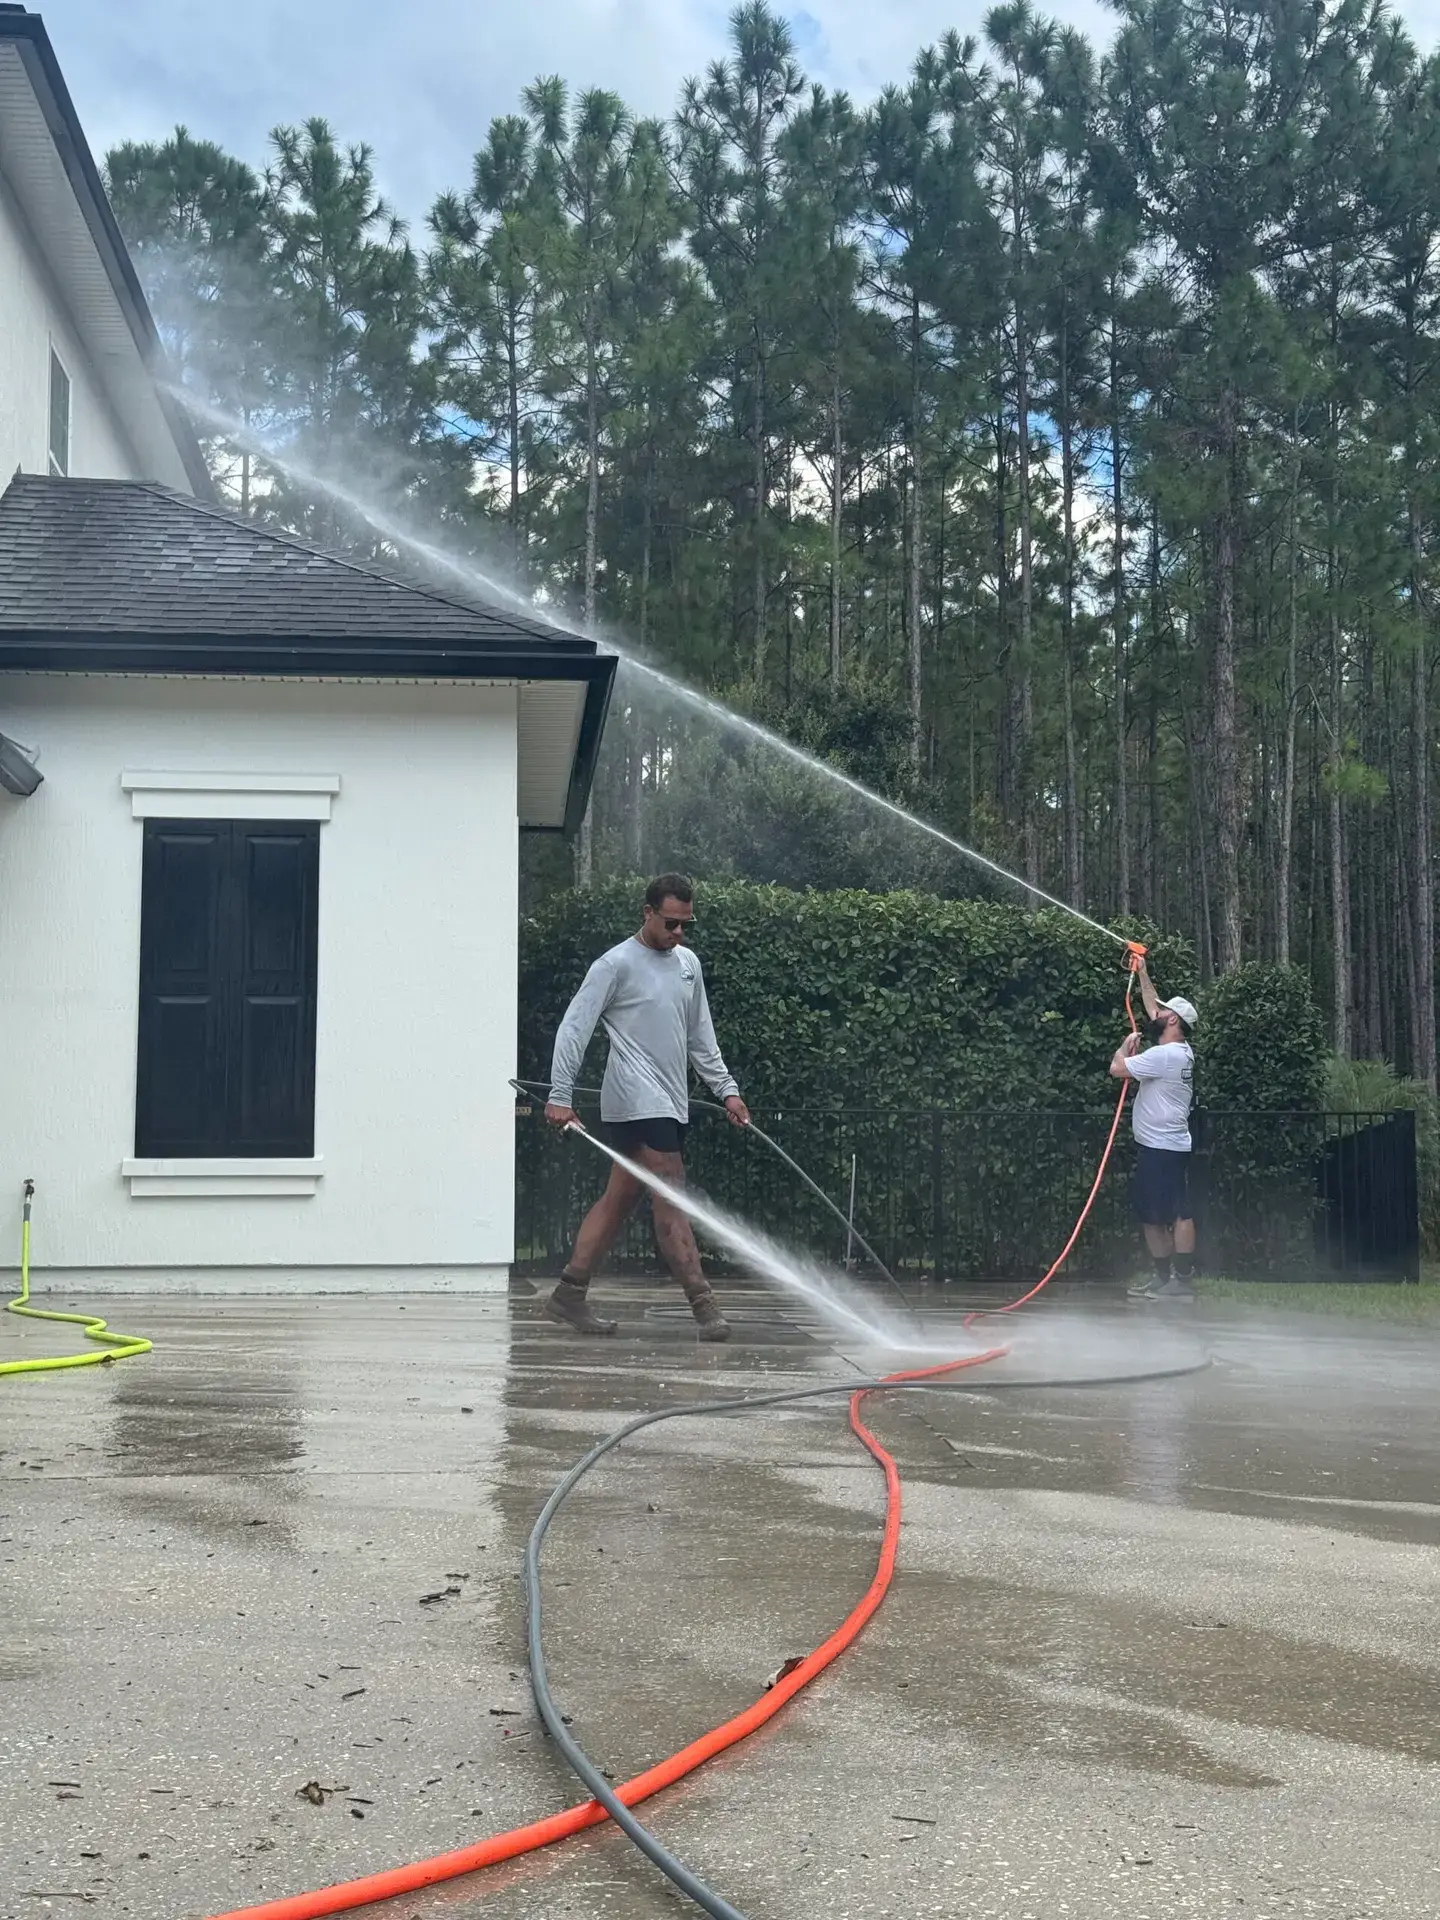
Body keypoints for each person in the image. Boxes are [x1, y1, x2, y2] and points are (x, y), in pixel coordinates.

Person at [543, 873, 750, 1342]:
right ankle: (704, 1306)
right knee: (671, 1192)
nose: (678, 934)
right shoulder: (615, 964)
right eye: (671, 924)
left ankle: (569, 1294)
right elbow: (574, 1028)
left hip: (670, 1101)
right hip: (636, 1099)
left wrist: (727, 1091)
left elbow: (701, 1037)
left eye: (685, 925)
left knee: (620, 1199)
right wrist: (560, 1096)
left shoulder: (688, 965)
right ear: (648, 913)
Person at [1110, 957, 1199, 1302]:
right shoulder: (1178, 1050)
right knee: (1154, 1214)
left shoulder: (1166, 1056)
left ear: (1172, 1020)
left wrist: (1125, 1046)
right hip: (1164, 1147)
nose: (1156, 1013)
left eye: (1163, 1012)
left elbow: (1117, 1069)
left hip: (1163, 1149)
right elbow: (1152, 1006)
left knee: (1175, 1213)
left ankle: (1179, 1281)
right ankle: (1168, 1280)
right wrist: (1142, 971)